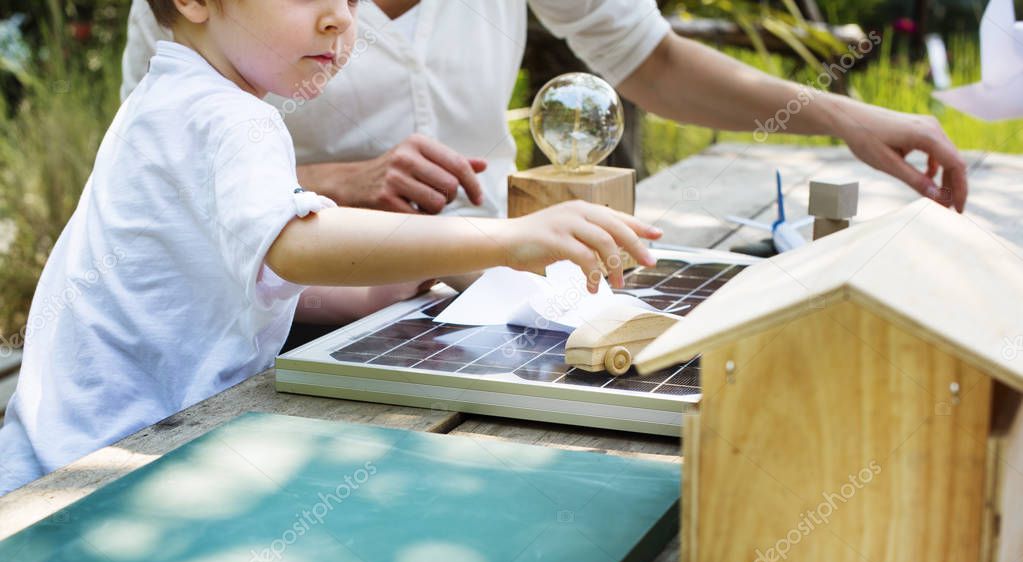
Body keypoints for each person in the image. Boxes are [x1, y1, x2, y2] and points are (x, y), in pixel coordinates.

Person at [0, 0, 660, 495]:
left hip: (73, 445)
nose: (339, 21)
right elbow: (295, 247)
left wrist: (428, 268)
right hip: (97, 471)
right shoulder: (229, 117)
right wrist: (509, 239)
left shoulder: (177, 94)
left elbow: (256, 275)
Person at [121, 0, 970, 338]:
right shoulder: (219, 22)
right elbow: (156, 173)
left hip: (463, 298)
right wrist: (334, 184)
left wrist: (846, 116)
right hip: (278, 320)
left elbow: (652, 61)